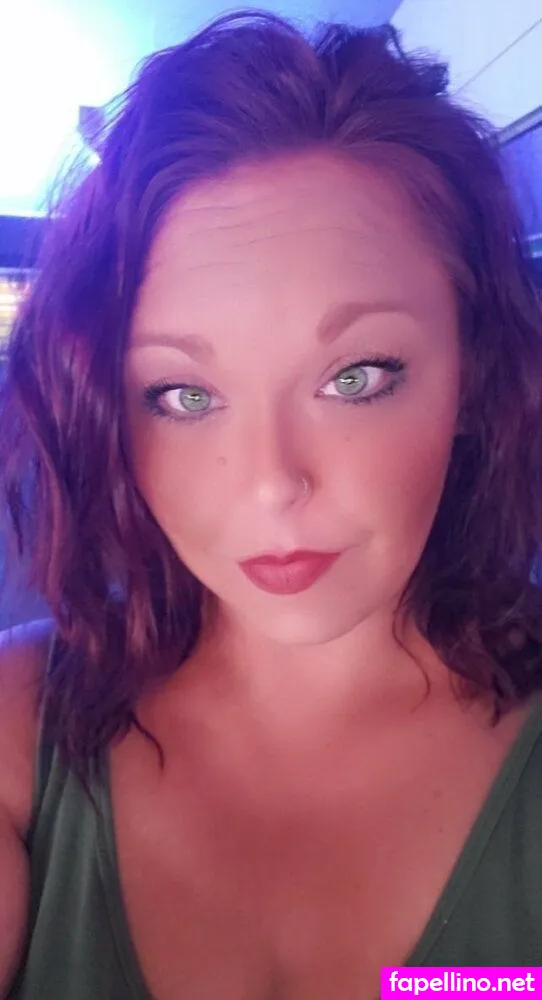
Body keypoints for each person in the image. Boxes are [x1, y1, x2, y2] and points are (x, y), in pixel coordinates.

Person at [1, 9, 542, 999]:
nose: (270, 481)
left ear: (470, 376)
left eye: (355, 376)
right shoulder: (16, 731)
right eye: (182, 395)